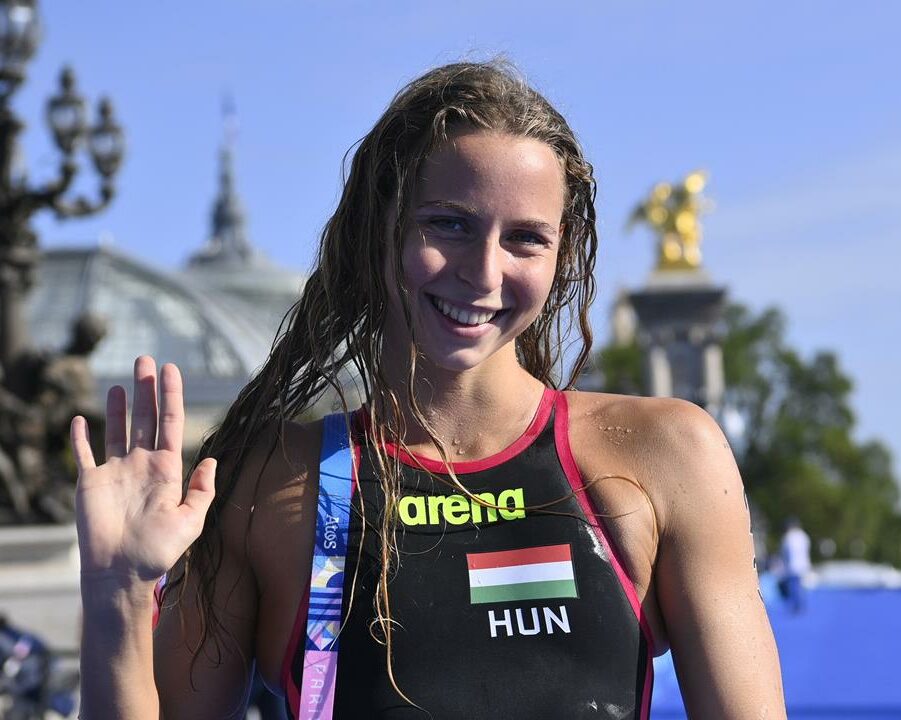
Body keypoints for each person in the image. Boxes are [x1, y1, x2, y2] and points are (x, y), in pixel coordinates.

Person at [70, 61, 786, 719]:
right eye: (450, 224)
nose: (482, 271)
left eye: (526, 239)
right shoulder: (270, 487)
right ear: (376, 229)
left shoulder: (665, 456)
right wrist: (120, 596)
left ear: (562, 256)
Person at [779, 517, 812, 614]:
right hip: (803, 565)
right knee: (800, 586)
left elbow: (785, 552)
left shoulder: (788, 537)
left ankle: (796, 606)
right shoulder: (803, 536)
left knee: (794, 587)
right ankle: (801, 604)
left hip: (792, 566)